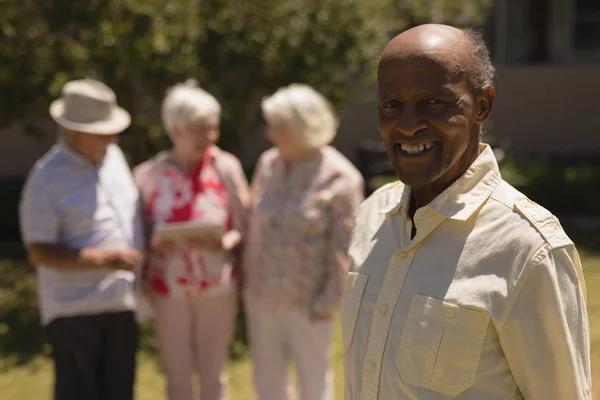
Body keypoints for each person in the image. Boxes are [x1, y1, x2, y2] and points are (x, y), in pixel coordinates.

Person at [341, 24, 591, 400]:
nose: (408, 125)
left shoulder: (528, 249)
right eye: (392, 104)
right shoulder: (372, 215)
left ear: (482, 105)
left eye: (433, 102)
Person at [19, 79, 143, 400]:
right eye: (104, 131)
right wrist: (105, 260)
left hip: (120, 303)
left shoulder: (114, 159)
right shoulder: (46, 178)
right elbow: (39, 252)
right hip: (74, 309)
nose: (113, 137)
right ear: (75, 131)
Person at [244, 83, 364, 400]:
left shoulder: (341, 177)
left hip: (309, 301)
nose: (269, 134)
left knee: (314, 384)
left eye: (277, 127)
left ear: (300, 128)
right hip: (262, 295)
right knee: (267, 383)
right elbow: (254, 222)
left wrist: (327, 302)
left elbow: (345, 248)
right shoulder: (268, 164)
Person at [133, 80, 249, 400]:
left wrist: (225, 242)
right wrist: (155, 245)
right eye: (200, 129)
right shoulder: (147, 175)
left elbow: (244, 226)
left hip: (217, 288)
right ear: (176, 129)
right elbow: (137, 235)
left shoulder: (226, 167)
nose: (210, 137)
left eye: (214, 128)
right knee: (177, 375)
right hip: (168, 290)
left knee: (214, 375)